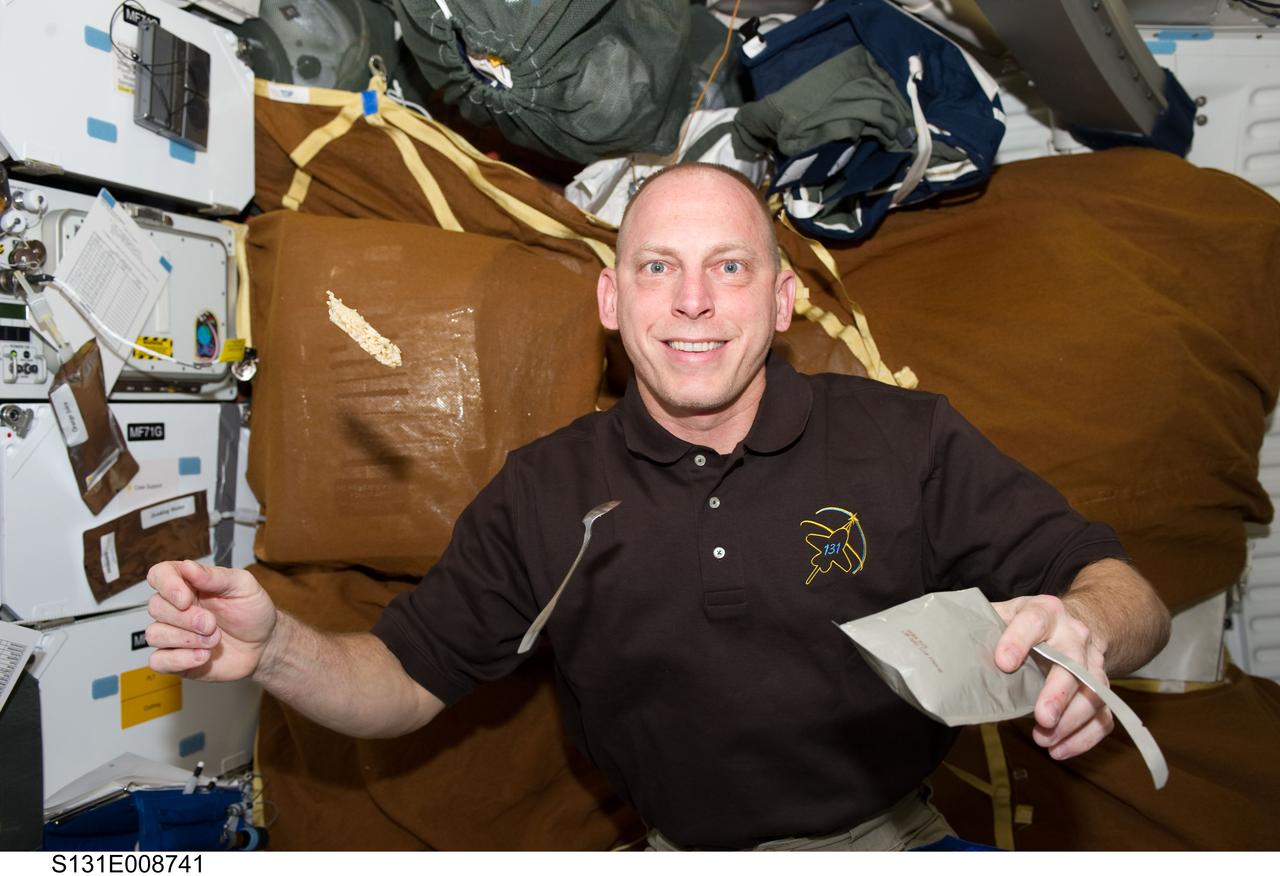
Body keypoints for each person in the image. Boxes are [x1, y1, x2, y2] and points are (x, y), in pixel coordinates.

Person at [146, 163, 1171, 851]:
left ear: (778, 302)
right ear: (610, 300)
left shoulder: (906, 442)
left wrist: (1086, 626)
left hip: (893, 837)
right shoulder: (542, 492)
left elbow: (1125, 592)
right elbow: (403, 683)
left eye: (728, 268)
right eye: (657, 268)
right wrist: (275, 647)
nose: (691, 303)